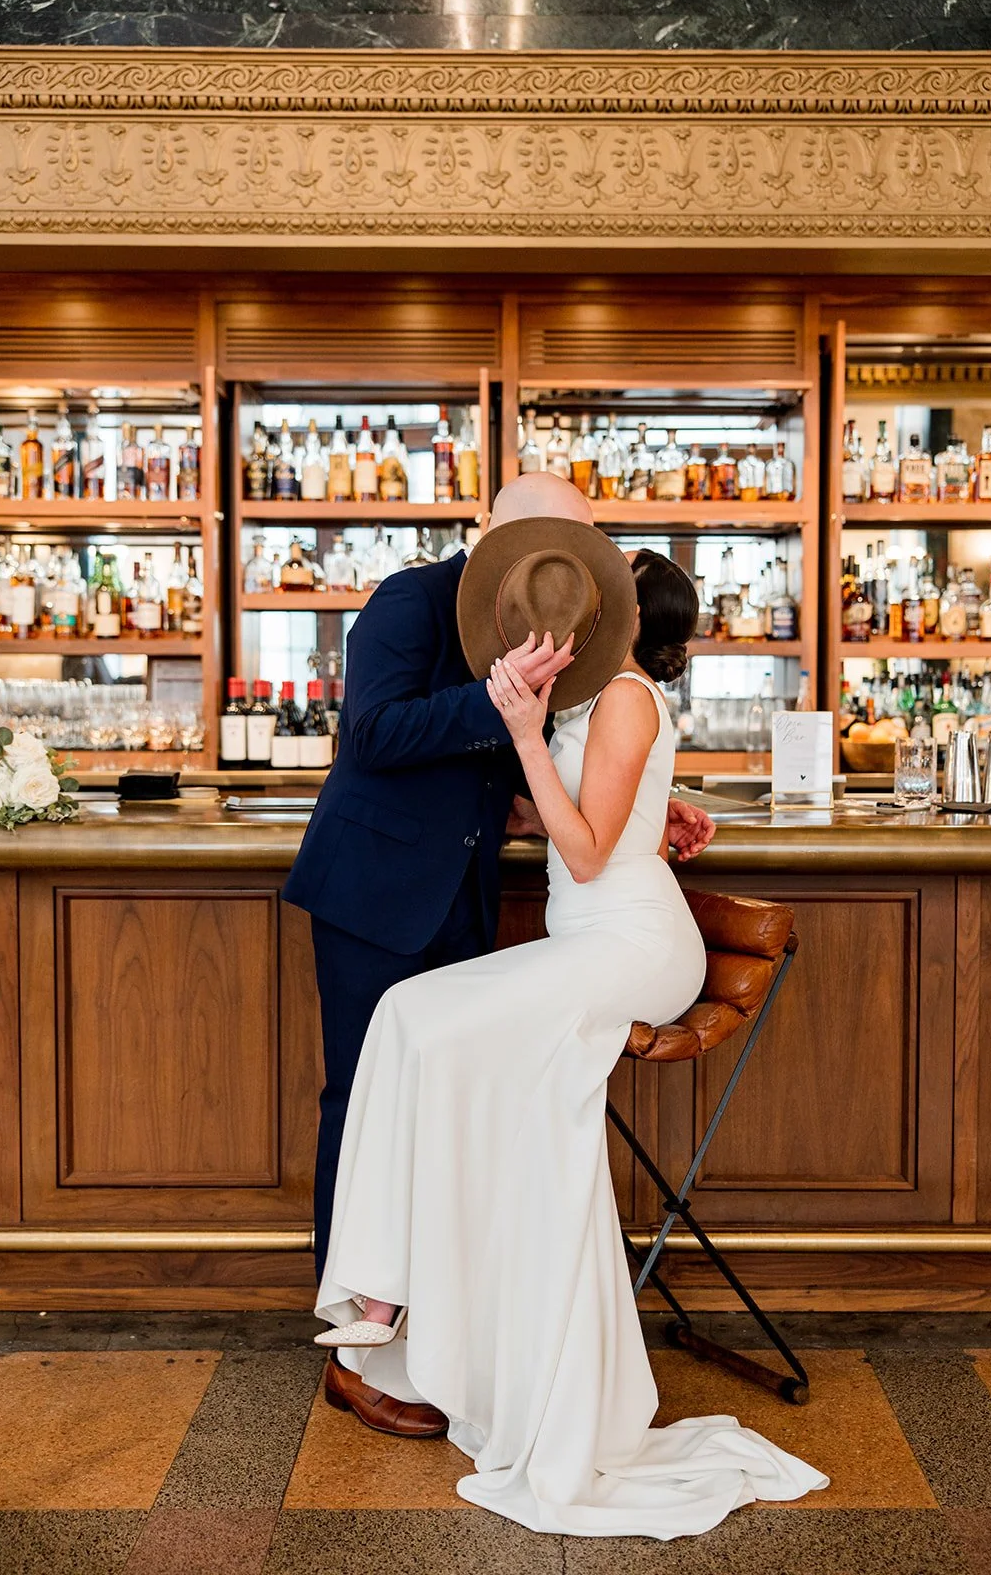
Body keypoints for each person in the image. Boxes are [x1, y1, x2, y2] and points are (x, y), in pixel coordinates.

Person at [314, 537, 828, 1538]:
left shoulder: (626, 696)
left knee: (420, 1022)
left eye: (594, 601)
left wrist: (521, 730)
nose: (576, 618)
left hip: (632, 944)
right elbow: (571, 815)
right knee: (413, 1022)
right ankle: (399, 1305)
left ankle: (396, 1302)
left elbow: (586, 851)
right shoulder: (592, 699)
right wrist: (614, 791)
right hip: (591, 935)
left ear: (618, 619)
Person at [282, 472, 714, 1440]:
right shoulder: (411, 598)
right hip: (374, 890)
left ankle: (438, 1333)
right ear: (489, 539)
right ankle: (356, 1345)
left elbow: (552, 791)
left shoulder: (565, 630)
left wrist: (644, 806)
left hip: (467, 896)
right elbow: (374, 733)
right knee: (362, 1096)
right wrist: (501, 700)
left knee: (445, 1097)